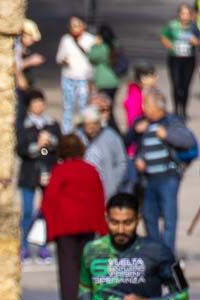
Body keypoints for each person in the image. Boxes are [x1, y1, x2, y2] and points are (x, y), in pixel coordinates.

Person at [41, 134, 106, 300]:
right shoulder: (91, 170)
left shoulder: (60, 170)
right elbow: (99, 197)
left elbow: (50, 199)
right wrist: (102, 227)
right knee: (86, 266)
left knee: (68, 268)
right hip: (88, 224)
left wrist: (48, 224)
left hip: (65, 225)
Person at [126, 88, 196, 253]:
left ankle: (167, 254)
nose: (144, 108)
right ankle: (155, 252)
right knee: (149, 216)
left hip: (168, 177)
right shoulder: (143, 123)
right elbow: (126, 140)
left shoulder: (172, 122)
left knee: (169, 217)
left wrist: (167, 135)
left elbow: (188, 141)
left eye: (147, 105)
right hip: (147, 178)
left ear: (158, 107)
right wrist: (135, 131)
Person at [16, 87, 61, 264]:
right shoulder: (24, 126)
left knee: (46, 211)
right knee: (27, 211)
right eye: (35, 103)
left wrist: (49, 143)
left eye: (41, 102)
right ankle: (24, 245)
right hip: (29, 173)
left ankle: (44, 246)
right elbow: (22, 150)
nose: (39, 106)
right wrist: (39, 145)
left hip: (47, 172)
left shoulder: (51, 124)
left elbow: (57, 148)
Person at [77, 104, 128, 200]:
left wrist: (114, 183)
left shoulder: (111, 136)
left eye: (94, 124)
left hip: (106, 189)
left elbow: (121, 162)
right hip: (82, 189)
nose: (91, 129)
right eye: (87, 125)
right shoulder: (78, 136)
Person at [55, 15, 95, 132]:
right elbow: (58, 57)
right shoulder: (66, 40)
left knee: (83, 107)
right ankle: (66, 133)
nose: (75, 28)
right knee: (68, 108)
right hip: (68, 77)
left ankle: (82, 133)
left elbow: (94, 59)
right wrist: (64, 60)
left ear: (83, 26)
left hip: (84, 78)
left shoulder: (90, 40)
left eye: (77, 25)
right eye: (72, 26)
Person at [159, 3, 200, 117]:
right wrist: (169, 45)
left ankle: (184, 110)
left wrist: (195, 41)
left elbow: (198, 41)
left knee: (185, 85)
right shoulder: (172, 25)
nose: (185, 16)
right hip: (175, 59)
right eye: (183, 13)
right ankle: (176, 109)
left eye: (187, 14)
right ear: (179, 14)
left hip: (189, 59)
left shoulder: (193, 27)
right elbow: (163, 37)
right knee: (176, 85)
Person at [87, 23, 124, 124]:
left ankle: (113, 131)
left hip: (104, 82)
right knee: (110, 109)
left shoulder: (102, 48)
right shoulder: (115, 45)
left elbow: (91, 57)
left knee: (105, 110)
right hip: (114, 81)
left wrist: (94, 45)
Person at [14, 18, 46, 125]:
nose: (33, 41)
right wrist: (29, 62)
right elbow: (13, 65)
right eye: (31, 37)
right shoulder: (15, 47)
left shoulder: (23, 48)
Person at [123, 64, 158, 133]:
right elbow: (133, 123)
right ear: (143, 79)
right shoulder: (135, 97)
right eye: (153, 76)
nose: (156, 78)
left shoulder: (149, 92)